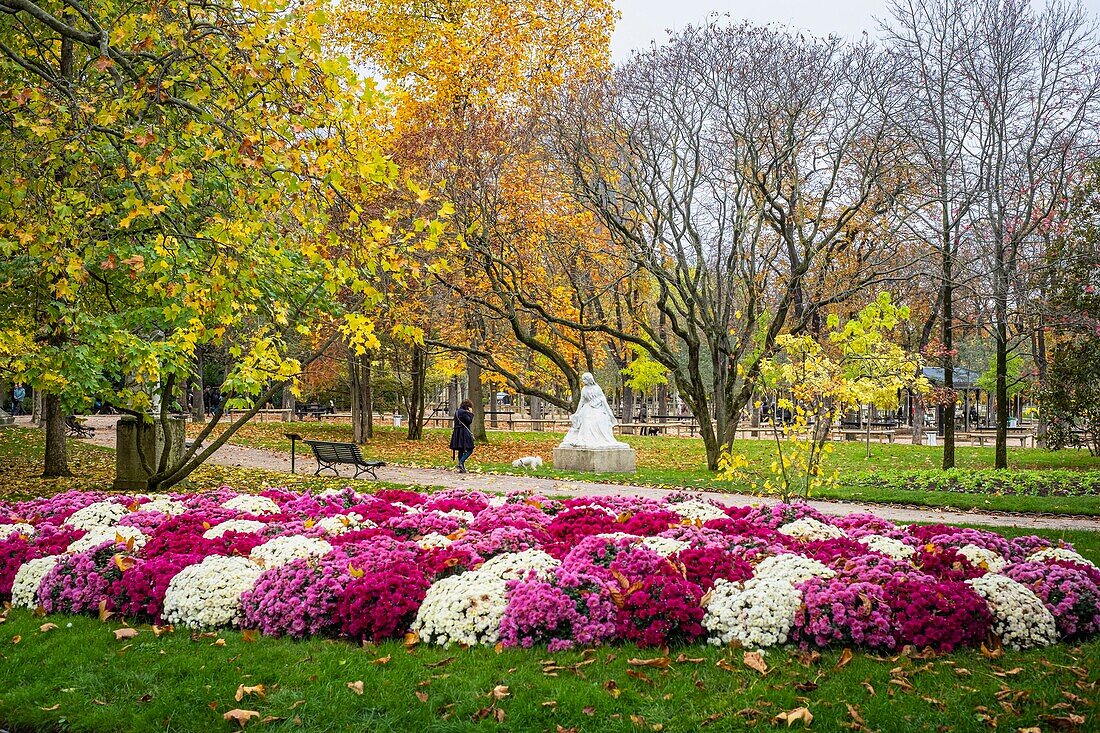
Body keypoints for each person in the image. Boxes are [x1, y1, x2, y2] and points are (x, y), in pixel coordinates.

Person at [560, 373, 628, 449]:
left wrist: (610, 413)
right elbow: (581, 401)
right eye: (582, 379)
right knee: (586, 422)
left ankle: (598, 438)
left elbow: (603, 400)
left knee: (599, 421)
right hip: (587, 409)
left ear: (589, 379)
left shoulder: (597, 388)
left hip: (597, 409)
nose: (583, 381)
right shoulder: (584, 389)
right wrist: (577, 412)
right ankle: (586, 438)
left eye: (585, 379)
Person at [450, 399, 476, 473]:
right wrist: (471, 414)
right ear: (468, 406)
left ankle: (462, 468)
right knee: (470, 449)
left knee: (461, 449)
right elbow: (468, 421)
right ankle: (461, 462)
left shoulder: (457, 412)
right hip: (463, 432)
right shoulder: (464, 412)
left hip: (457, 432)